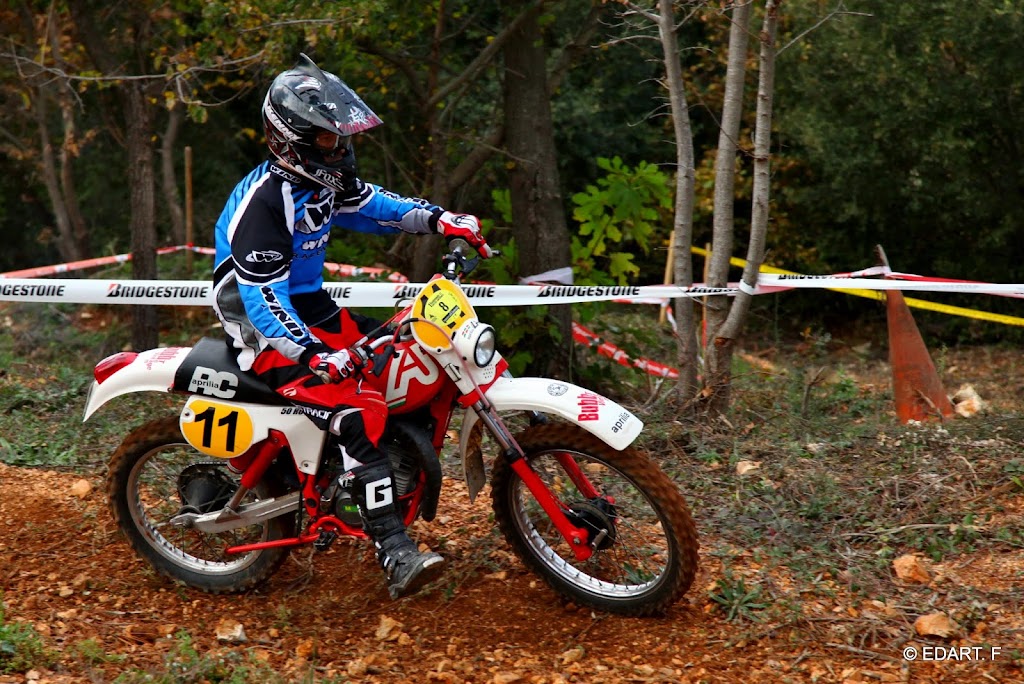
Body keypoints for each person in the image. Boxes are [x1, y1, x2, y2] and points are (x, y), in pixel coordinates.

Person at [211, 54, 493, 599]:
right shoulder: (264, 207)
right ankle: (393, 548)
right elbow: (264, 302)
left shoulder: (321, 180)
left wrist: (443, 219)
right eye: (327, 141)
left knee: (414, 353)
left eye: (342, 139)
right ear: (290, 140)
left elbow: (375, 206)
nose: (340, 151)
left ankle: (384, 476)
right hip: (261, 332)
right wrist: (315, 355)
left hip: (310, 305)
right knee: (353, 414)